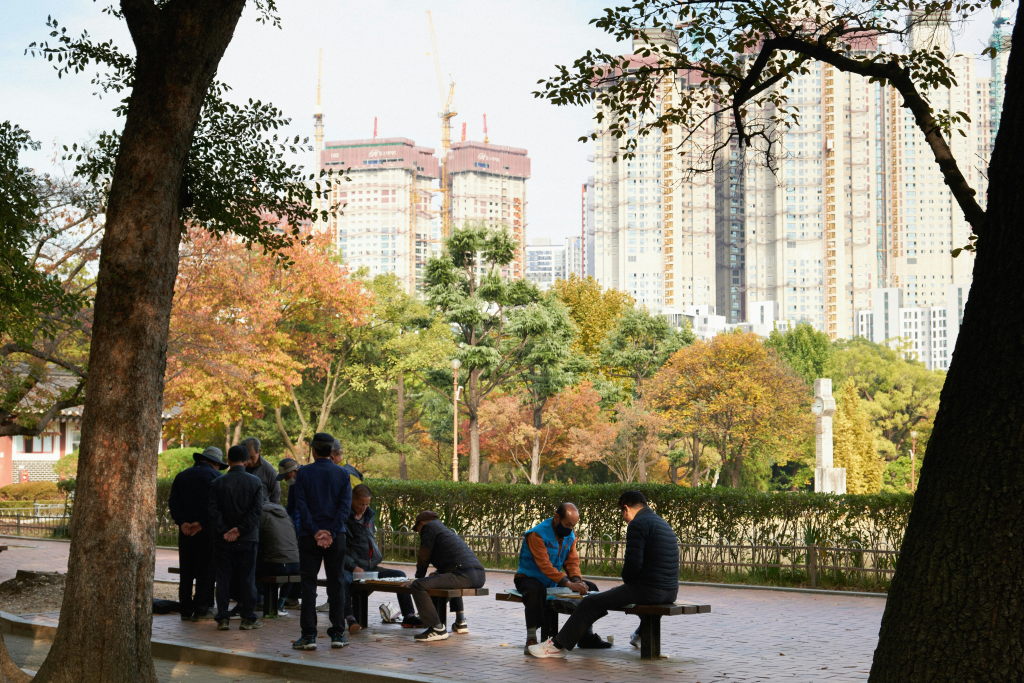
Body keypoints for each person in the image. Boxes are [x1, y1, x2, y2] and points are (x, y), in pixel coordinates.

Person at [528, 491, 680, 659]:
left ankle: (557, 646)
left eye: (622, 513)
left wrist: (628, 584)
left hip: (648, 590)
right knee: (607, 596)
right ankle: (640, 634)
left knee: (591, 601)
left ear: (626, 508)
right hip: (670, 591)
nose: (624, 518)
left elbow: (633, 565)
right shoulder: (661, 522)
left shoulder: (637, 524)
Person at [514, 503, 610, 653]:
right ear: (557, 518)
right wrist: (568, 584)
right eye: (568, 524)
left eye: (573, 525)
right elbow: (544, 566)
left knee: (590, 588)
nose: (570, 529)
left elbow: (571, 561)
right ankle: (531, 638)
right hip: (529, 578)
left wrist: (577, 581)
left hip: (554, 580)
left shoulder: (570, 535)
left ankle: (586, 636)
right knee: (535, 591)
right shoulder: (537, 534)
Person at [291, 432, 352, 651]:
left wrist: (316, 531)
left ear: (313, 450)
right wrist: (332, 532)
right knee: (336, 584)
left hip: (309, 536)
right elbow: (345, 507)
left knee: (308, 586)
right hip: (337, 538)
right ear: (332, 452)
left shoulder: (304, 473)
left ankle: (308, 636)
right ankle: (337, 633)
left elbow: (301, 506)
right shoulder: (343, 474)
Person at [343, 484, 420, 633]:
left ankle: (409, 615)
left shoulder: (369, 515)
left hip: (370, 566)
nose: (364, 507)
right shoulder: (344, 517)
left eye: (367, 504)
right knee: (343, 581)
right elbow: (338, 550)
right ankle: (350, 618)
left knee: (400, 576)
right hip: (351, 567)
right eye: (361, 504)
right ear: (352, 499)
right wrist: (353, 567)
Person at [207, 444, 265, 631]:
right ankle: (248, 617)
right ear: (246, 462)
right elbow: (256, 511)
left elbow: (213, 512)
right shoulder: (255, 482)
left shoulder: (217, 483)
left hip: (222, 539)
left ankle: (223, 617)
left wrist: (226, 530)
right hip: (248, 538)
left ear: (229, 461)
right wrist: (239, 530)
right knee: (247, 578)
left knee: (223, 578)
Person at [168, 446, 226, 621]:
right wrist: (201, 523)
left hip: (185, 532)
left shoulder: (182, 476)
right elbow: (217, 507)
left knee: (186, 570)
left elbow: (173, 502)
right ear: (215, 463)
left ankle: (185, 609)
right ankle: (202, 607)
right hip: (207, 531)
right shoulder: (217, 478)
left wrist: (182, 522)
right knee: (206, 569)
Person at [409, 510, 486, 642]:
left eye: (418, 529)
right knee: (448, 578)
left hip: (464, 574)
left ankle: (436, 628)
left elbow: (424, 554)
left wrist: (418, 578)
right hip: (478, 575)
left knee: (418, 586)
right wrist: (438, 573)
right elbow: (452, 558)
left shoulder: (429, 527)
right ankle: (460, 621)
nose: (419, 533)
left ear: (421, 523)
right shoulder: (443, 531)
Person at [256, 501, 300, 615]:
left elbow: (256, 540)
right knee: (289, 565)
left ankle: (257, 600)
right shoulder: (286, 516)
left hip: (278, 565)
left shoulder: (260, 514)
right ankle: (280, 604)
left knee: (248, 567)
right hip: (296, 564)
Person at [275, 457, 301, 609]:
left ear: (294, 472)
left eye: (286, 476)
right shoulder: (294, 485)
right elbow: (290, 507)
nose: (285, 480)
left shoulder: (307, 480)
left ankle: (290, 598)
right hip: (294, 530)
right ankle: (288, 598)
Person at [241, 437, 281, 504]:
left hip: (262, 510)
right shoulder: (239, 467)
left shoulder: (269, 470)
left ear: (259, 451)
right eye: (246, 457)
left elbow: (276, 495)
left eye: (252, 457)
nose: (249, 461)